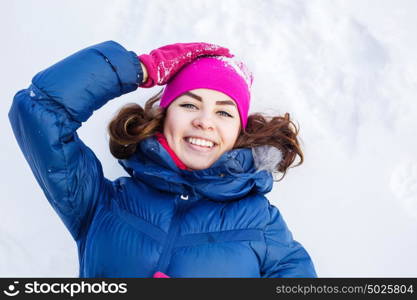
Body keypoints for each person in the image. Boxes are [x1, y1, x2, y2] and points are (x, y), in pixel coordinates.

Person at [8, 40, 317, 278]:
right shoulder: (100, 202)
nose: (204, 122)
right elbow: (40, 110)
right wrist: (140, 69)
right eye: (189, 105)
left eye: (223, 112)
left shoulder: (263, 227)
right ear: (164, 115)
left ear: (239, 131)